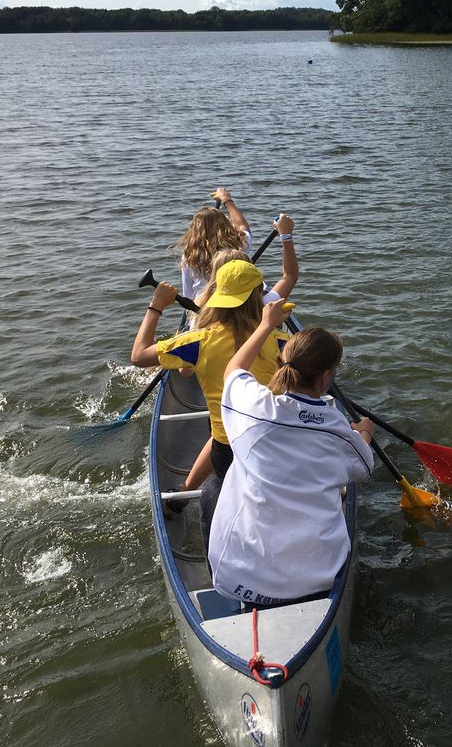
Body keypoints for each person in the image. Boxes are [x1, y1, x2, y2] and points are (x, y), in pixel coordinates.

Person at [204, 301, 375, 607]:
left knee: (213, 489)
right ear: (325, 377)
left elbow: (234, 370)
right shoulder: (336, 427)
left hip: (243, 578)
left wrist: (266, 324)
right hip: (318, 576)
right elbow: (364, 468)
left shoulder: (256, 407)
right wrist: (364, 432)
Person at [130, 225, 296, 486]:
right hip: (275, 442)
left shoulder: (196, 341)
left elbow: (138, 356)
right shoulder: (284, 341)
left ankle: (190, 491)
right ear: (259, 296)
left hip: (226, 447)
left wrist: (156, 307)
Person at [175, 187, 252, 301]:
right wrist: (226, 199)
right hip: (236, 305)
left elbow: (188, 295)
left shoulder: (190, 255)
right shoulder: (239, 245)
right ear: (225, 225)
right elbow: (242, 226)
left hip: (202, 309)